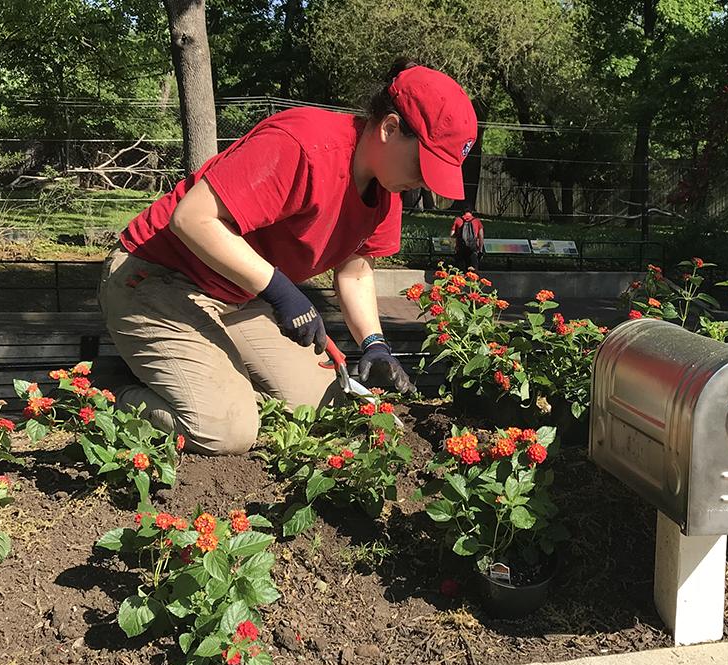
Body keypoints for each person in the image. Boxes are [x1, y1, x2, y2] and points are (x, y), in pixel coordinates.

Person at [98, 59, 477, 455]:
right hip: (158, 279)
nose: (424, 183)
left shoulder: (386, 189)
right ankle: (116, 392)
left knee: (325, 410)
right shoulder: (303, 146)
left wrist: (374, 343)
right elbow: (191, 219)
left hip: (237, 295)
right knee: (226, 432)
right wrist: (281, 290)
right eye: (423, 164)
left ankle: (203, 382)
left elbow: (356, 271)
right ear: (390, 128)